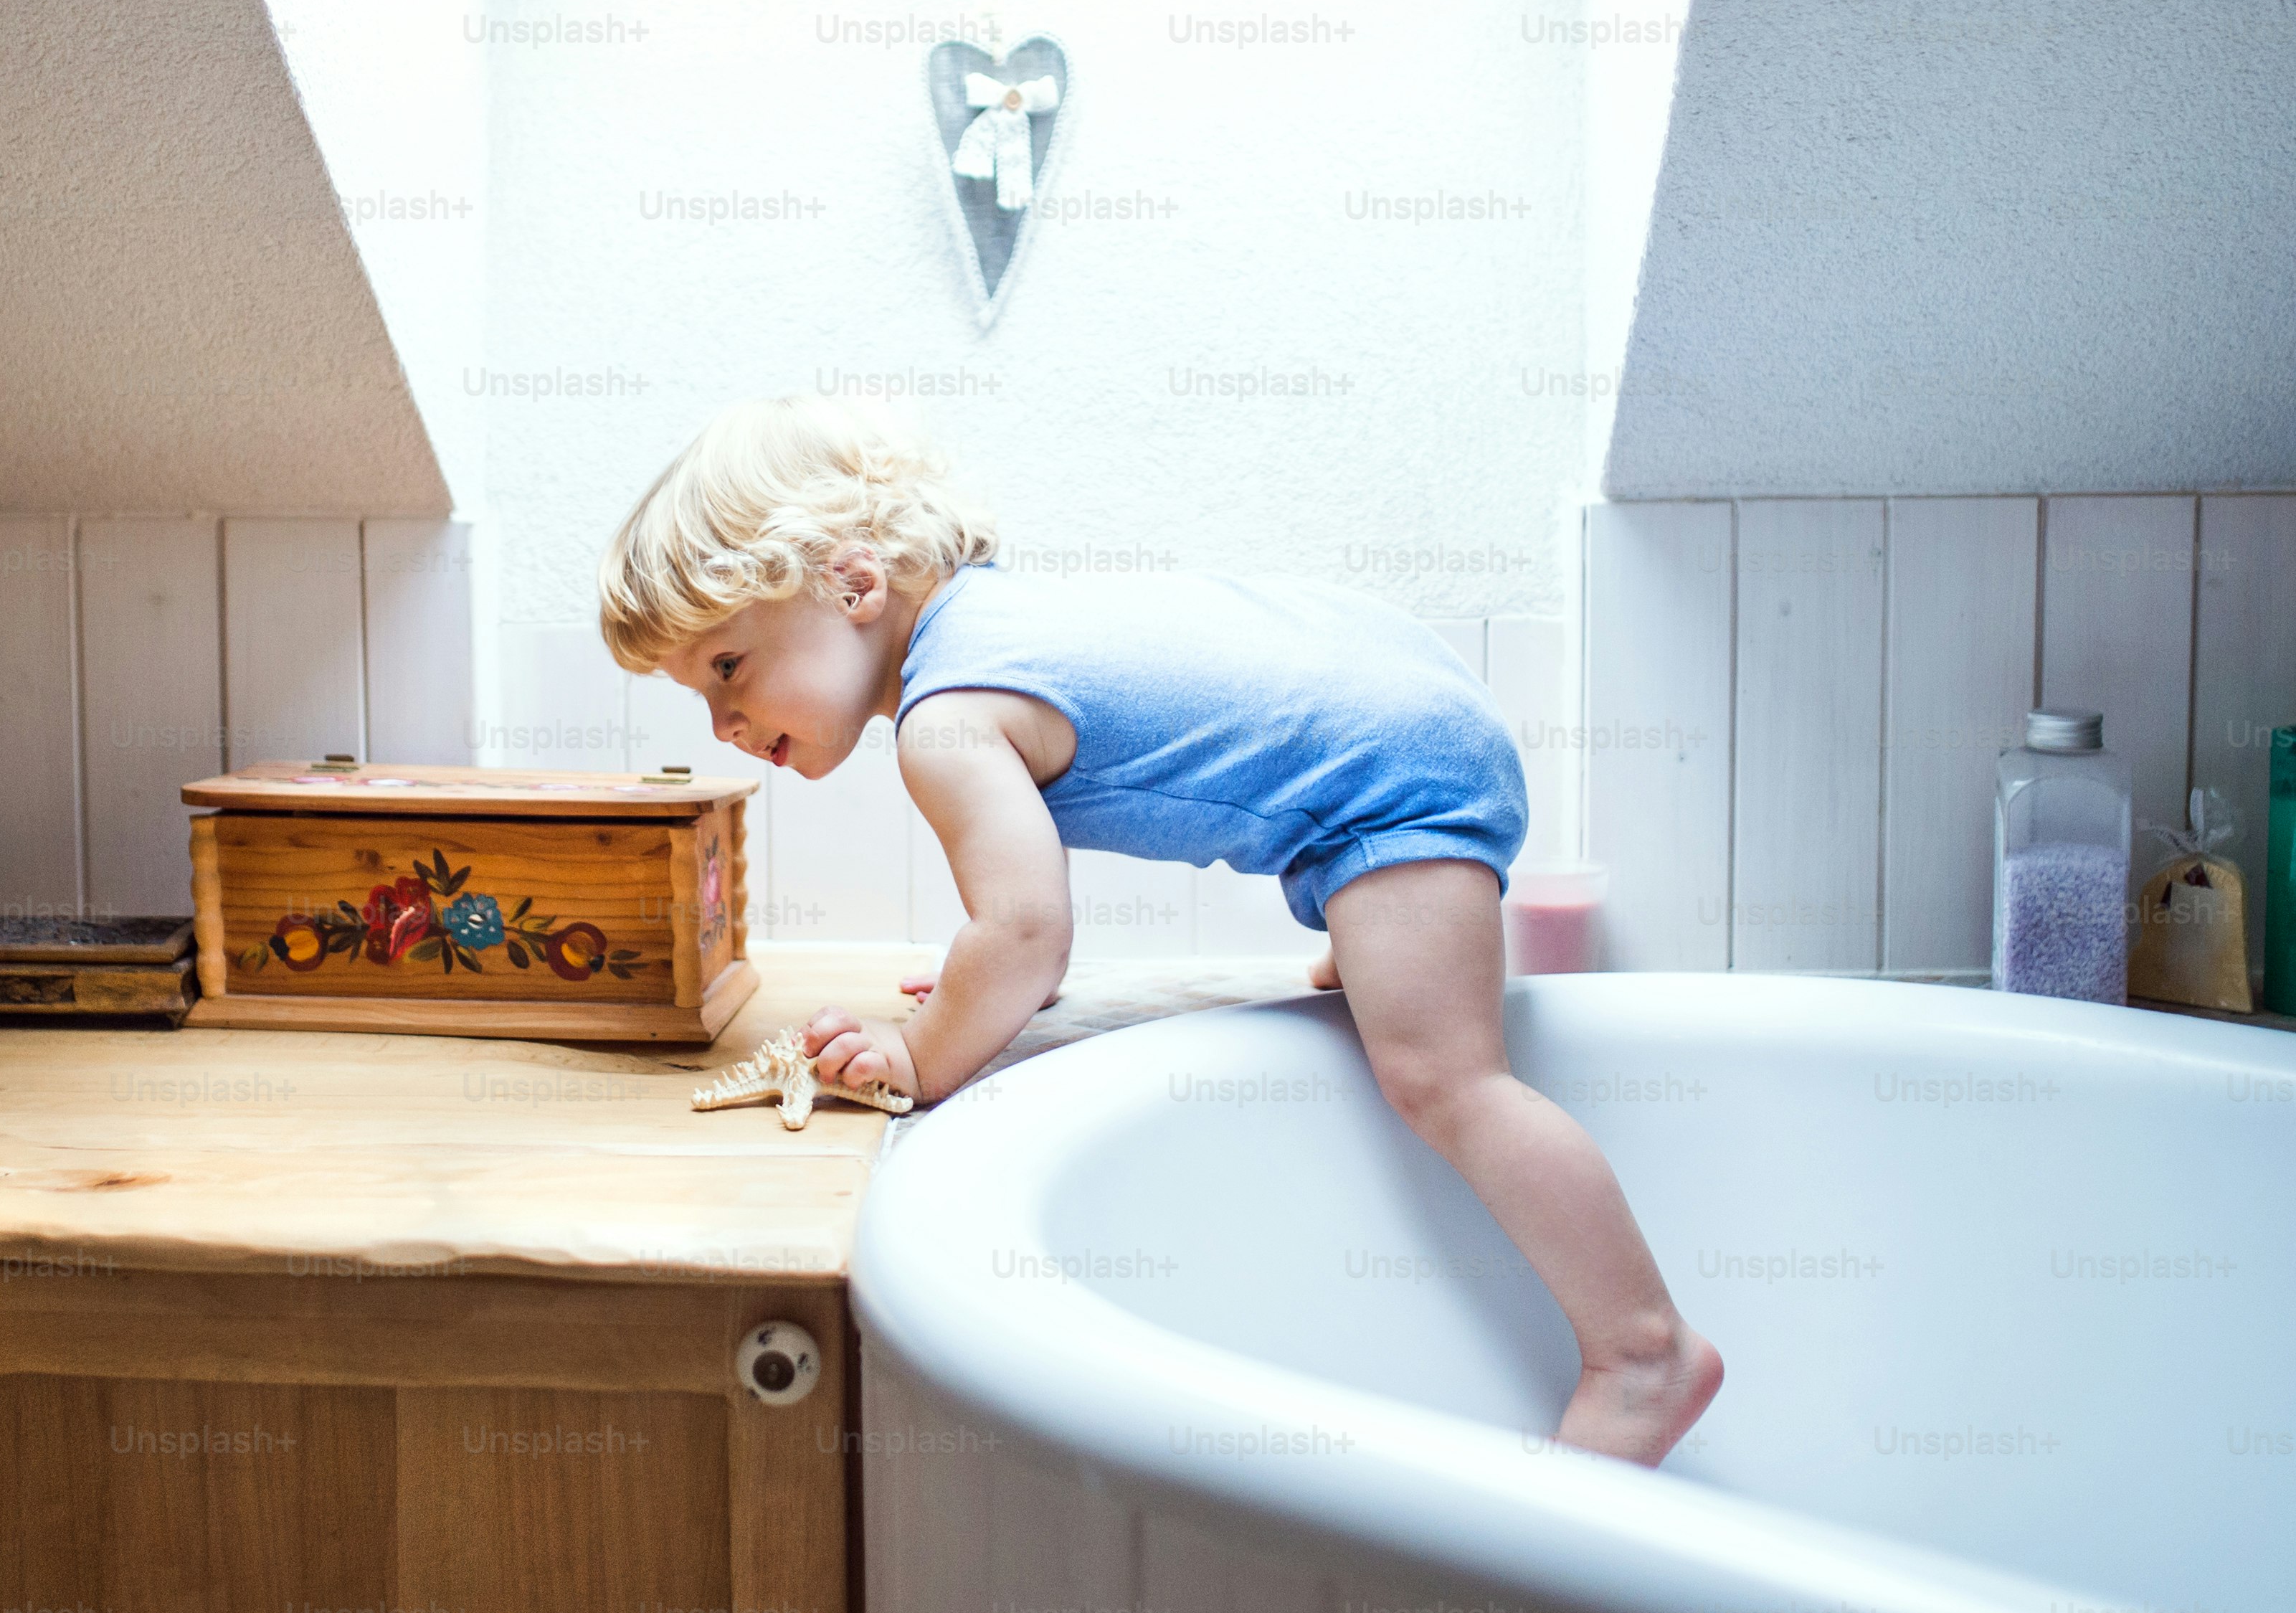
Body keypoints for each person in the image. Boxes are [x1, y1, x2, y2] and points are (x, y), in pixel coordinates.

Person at [597, 396, 1722, 1465]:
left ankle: (1642, 1350)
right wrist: (980, 983)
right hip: (1396, 712)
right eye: (699, 694)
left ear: (852, 583)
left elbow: (1027, 929)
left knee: (1443, 1078)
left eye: (729, 668)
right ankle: (1366, 951)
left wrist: (921, 1056)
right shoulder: (991, 627)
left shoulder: (945, 721)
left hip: (1392, 779)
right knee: (1379, 1009)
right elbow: (1026, 934)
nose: (725, 723)